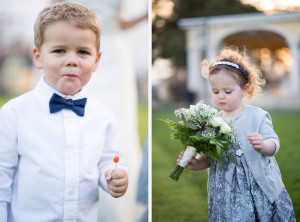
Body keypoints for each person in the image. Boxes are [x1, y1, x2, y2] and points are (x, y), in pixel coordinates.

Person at [0, 2, 128, 221]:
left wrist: (114, 176)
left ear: (96, 60)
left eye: (83, 52)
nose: (71, 60)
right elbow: (2, 178)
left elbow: (109, 158)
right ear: (38, 57)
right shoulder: (14, 113)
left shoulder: (103, 116)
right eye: (59, 50)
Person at [177, 47, 295, 221]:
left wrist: (263, 145)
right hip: (226, 193)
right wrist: (197, 163)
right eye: (215, 91)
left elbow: (274, 143)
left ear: (245, 89)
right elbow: (211, 158)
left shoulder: (258, 115)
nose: (221, 96)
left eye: (227, 91)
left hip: (257, 187)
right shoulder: (211, 121)